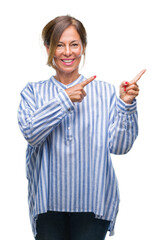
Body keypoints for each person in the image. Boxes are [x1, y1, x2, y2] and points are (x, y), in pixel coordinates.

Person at [17, 15, 146, 240]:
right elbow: (31, 134)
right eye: (59, 44)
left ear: (83, 47)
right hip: (48, 204)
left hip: (93, 202)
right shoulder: (33, 93)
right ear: (48, 48)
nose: (68, 52)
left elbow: (120, 147)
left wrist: (125, 104)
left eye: (74, 44)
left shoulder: (105, 92)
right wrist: (63, 99)